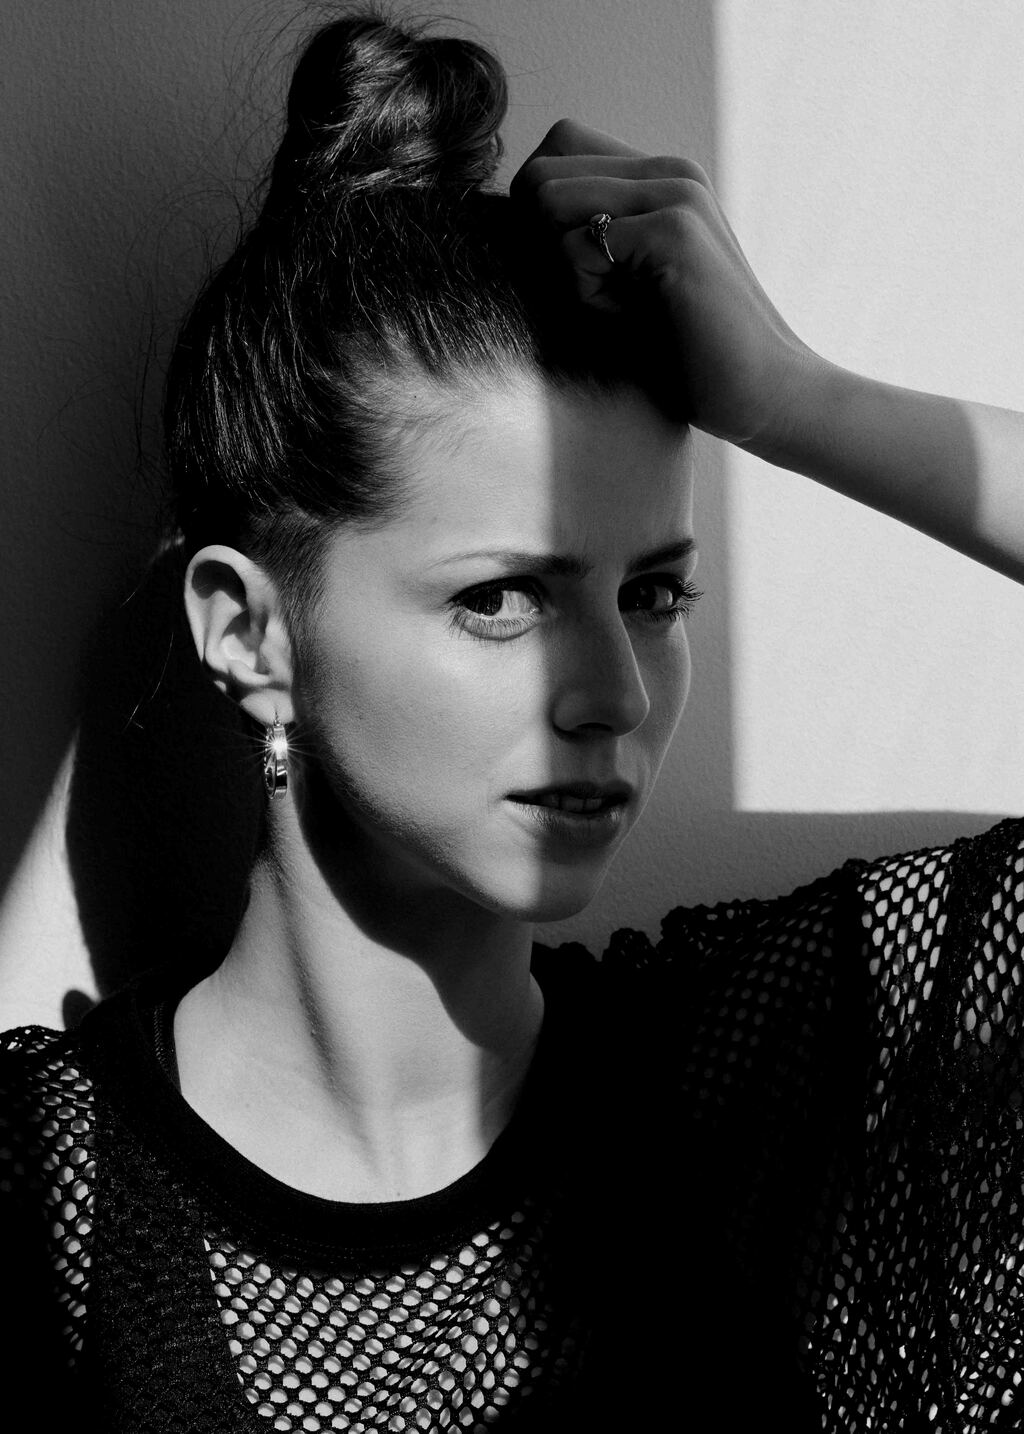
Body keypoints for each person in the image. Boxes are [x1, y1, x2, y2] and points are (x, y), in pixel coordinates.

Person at [3, 7, 1024, 1431]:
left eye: (654, 594)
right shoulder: (43, 1210)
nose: (616, 692)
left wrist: (800, 398)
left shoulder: (770, 1086)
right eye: (501, 599)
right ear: (249, 633)